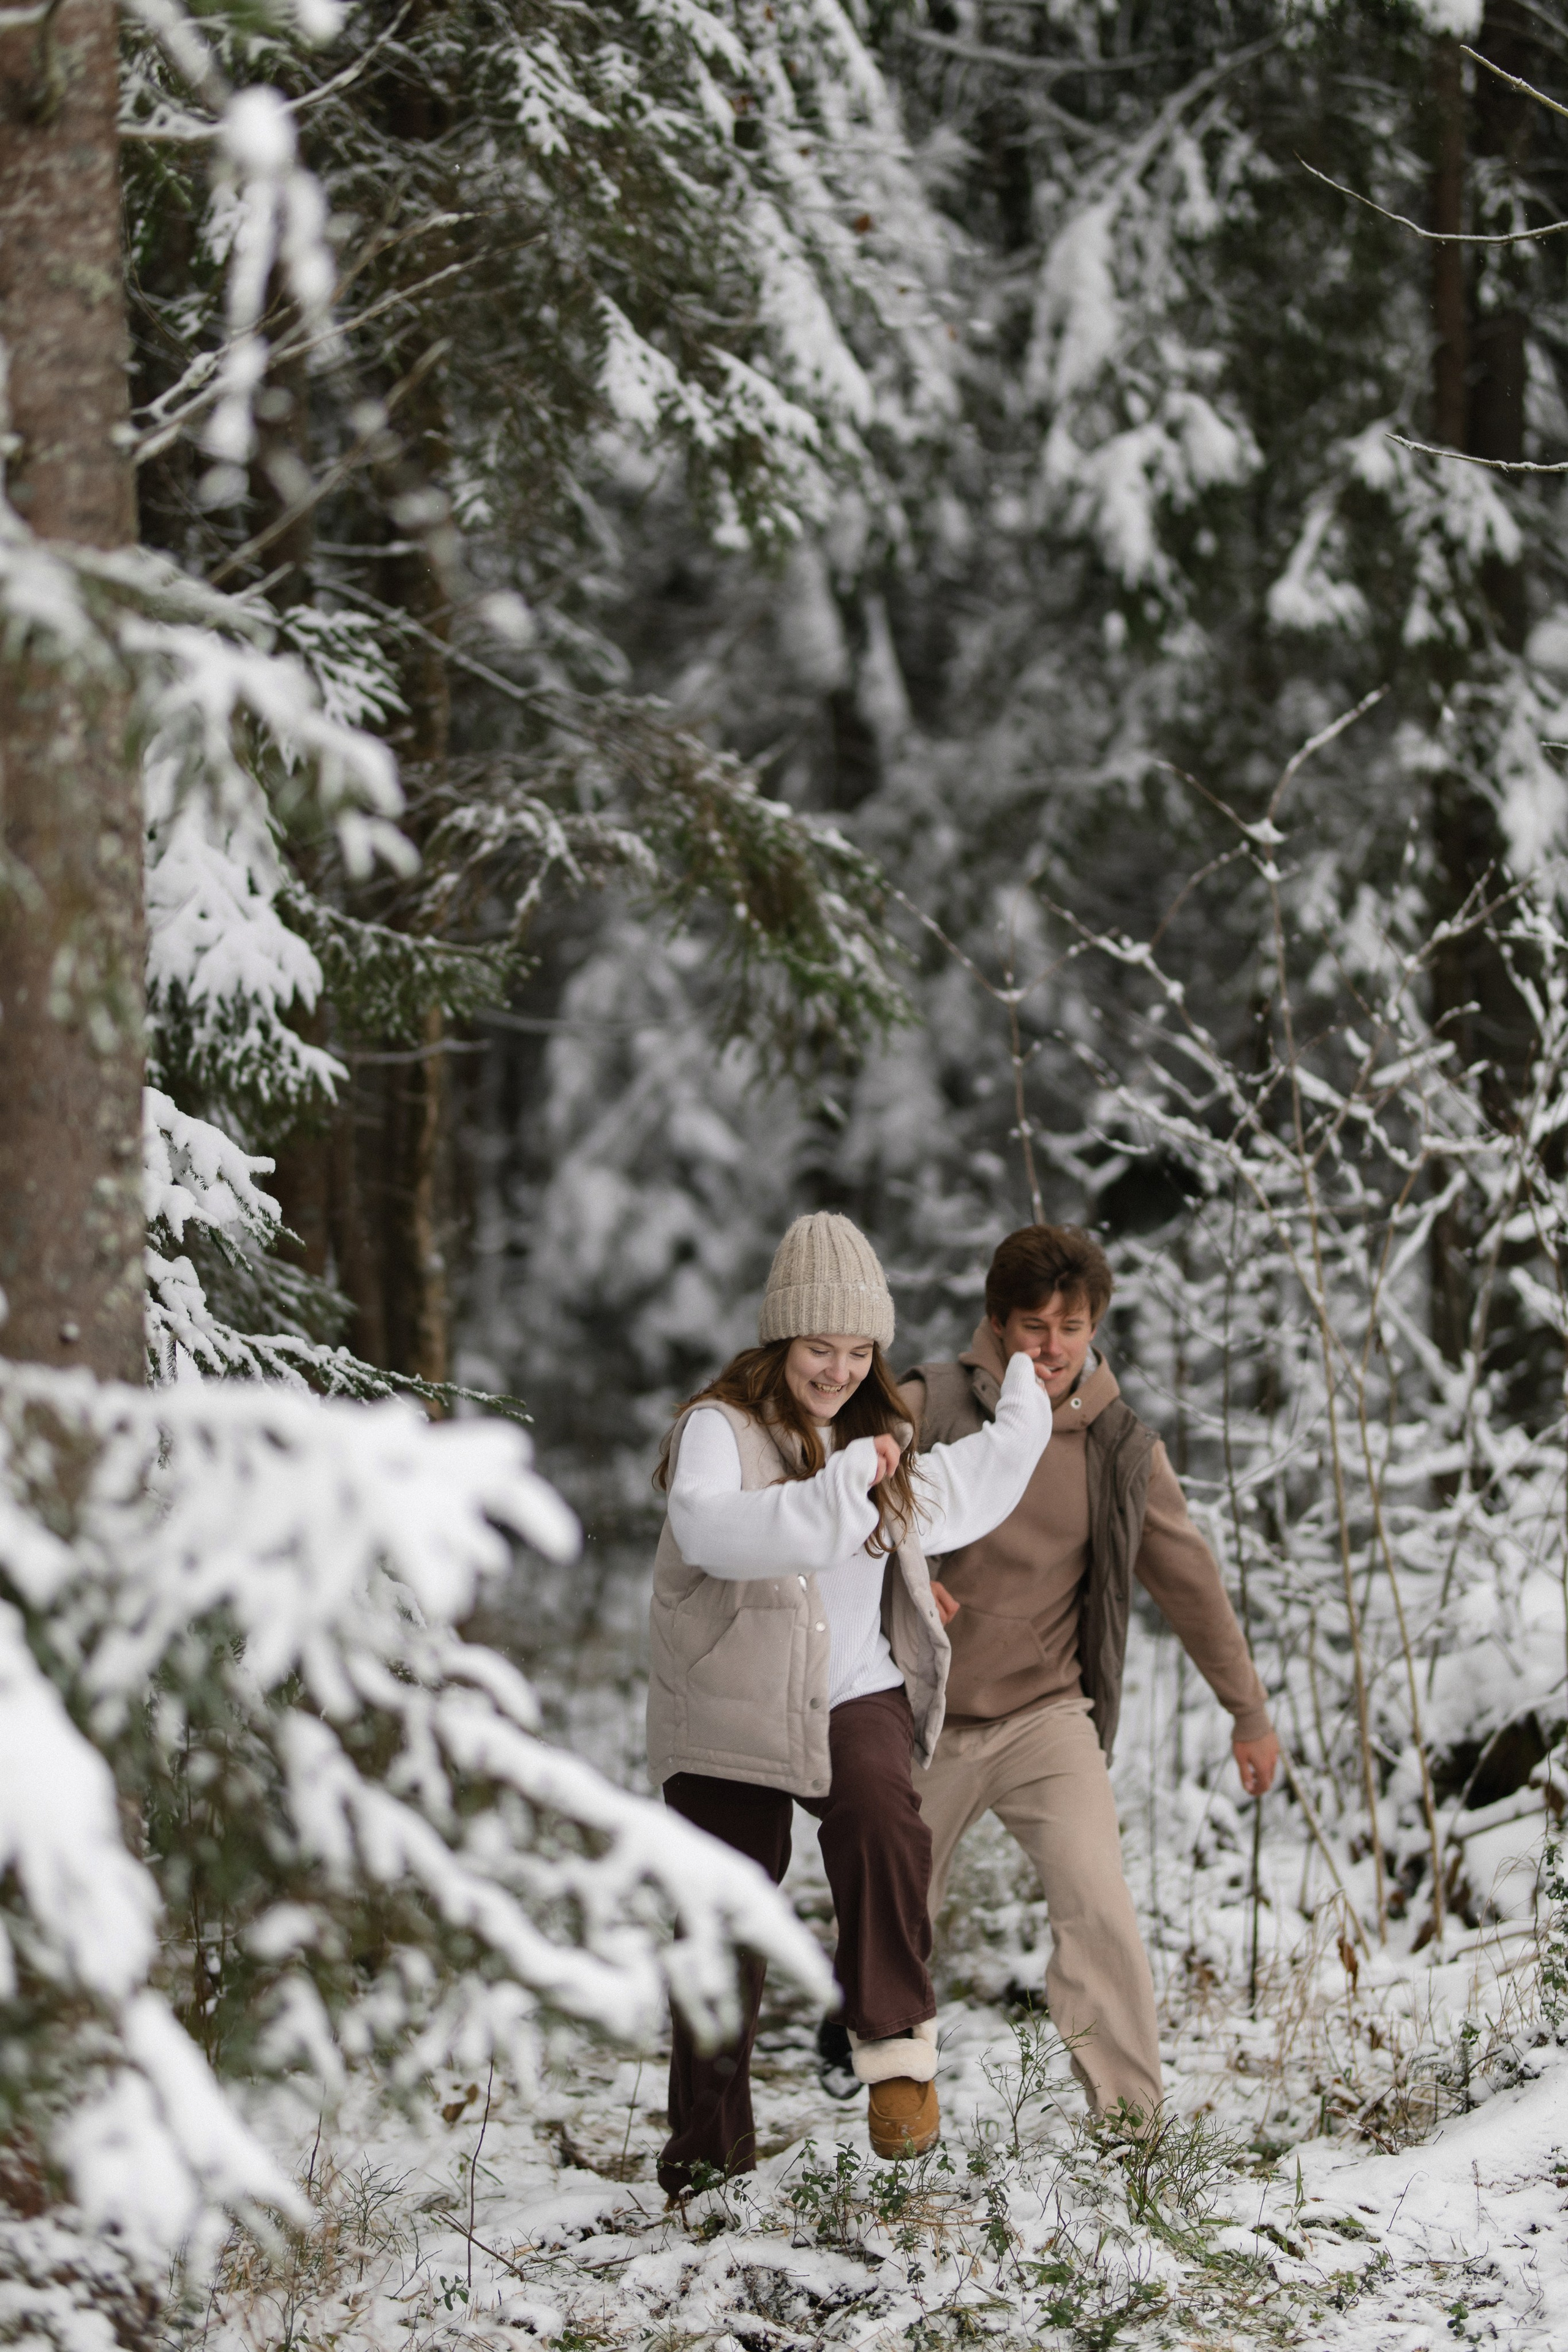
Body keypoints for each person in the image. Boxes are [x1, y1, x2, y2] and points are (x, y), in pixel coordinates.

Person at [646, 1210, 1051, 2193]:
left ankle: (899, 2063)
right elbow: (713, 1533)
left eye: (859, 1349)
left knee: (883, 1823)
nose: (836, 1368)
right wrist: (833, 1495)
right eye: (819, 1347)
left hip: (850, 1686)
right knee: (723, 1921)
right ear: (782, 1335)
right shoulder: (719, 1429)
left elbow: (958, 1491)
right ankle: (708, 2154)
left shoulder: (881, 1433)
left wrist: (1026, 1412)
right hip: (730, 1706)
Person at [895, 1223, 1279, 2126]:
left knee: (1099, 1906)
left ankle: (1133, 2128)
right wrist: (903, 1584)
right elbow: (839, 1513)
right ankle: (885, 2089)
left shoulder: (1119, 1446)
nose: (1055, 1347)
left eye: (1072, 1326)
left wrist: (1249, 1712)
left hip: (1046, 1719)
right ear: (997, 1325)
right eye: (1035, 1326)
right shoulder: (926, 1404)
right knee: (888, 1913)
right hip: (925, 1717)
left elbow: (1190, 1579)